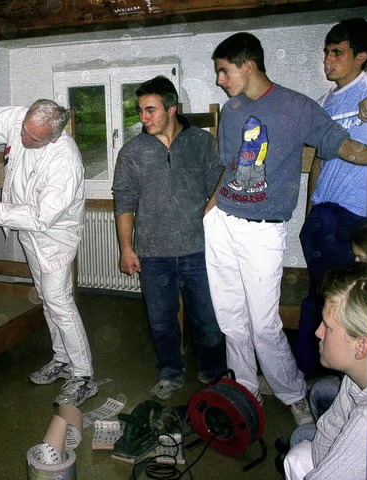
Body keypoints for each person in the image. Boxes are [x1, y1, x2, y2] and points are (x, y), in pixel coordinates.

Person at [204, 32, 367, 426]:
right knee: (230, 317)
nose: (219, 79)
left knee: (264, 324)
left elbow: (343, 145)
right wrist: (209, 209)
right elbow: (229, 168)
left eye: (224, 71)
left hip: (263, 232)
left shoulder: (297, 107)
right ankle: (244, 389)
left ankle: (293, 392)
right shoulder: (231, 111)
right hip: (223, 223)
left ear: (248, 66)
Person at [0, 99, 97, 407]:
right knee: (46, 298)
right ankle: (61, 360)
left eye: (33, 138)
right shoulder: (19, 121)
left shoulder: (65, 161)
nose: (23, 139)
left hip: (55, 237)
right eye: (24, 131)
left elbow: (41, 217)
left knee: (58, 300)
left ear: (54, 136)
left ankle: (84, 376)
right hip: (29, 232)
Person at [112, 75, 226, 400]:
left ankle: (213, 373)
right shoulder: (132, 152)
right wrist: (126, 248)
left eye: (150, 110)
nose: (142, 118)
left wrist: (207, 220)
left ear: (172, 108)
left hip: (198, 250)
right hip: (153, 254)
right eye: (140, 110)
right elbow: (124, 201)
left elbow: (218, 185)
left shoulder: (201, 143)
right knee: (161, 321)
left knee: (207, 319)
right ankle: (171, 373)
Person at [295, 18, 367, 379]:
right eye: (326, 52)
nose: (328, 60)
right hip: (323, 217)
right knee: (320, 299)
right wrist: (310, 210)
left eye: (337, 53)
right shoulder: (324, 102)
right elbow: (318, 162)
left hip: (354, 217)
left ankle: (338, 380)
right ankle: (311, 374)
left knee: (341, 304)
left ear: (361, 56)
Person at [282, 262, 367, 480]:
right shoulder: (357, 375)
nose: (317, 332)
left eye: (328, 327)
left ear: (361, 346)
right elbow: (329, 428)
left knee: (299, 444)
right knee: (302, 441)